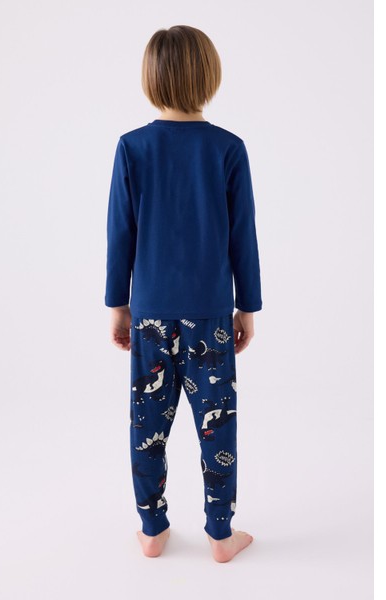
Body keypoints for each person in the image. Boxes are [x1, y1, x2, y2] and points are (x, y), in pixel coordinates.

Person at [104, 25, 262, 563]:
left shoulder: (132, 147)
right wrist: (247, 307)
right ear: (209, 75)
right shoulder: (228, 149)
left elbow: (119, 234)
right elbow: (243, 237)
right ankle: (220, 534)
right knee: (217, 427)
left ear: (151, 78)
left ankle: (152, 529)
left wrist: (118, 305)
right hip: (210, 315)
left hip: (149, 312)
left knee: (147, 425)